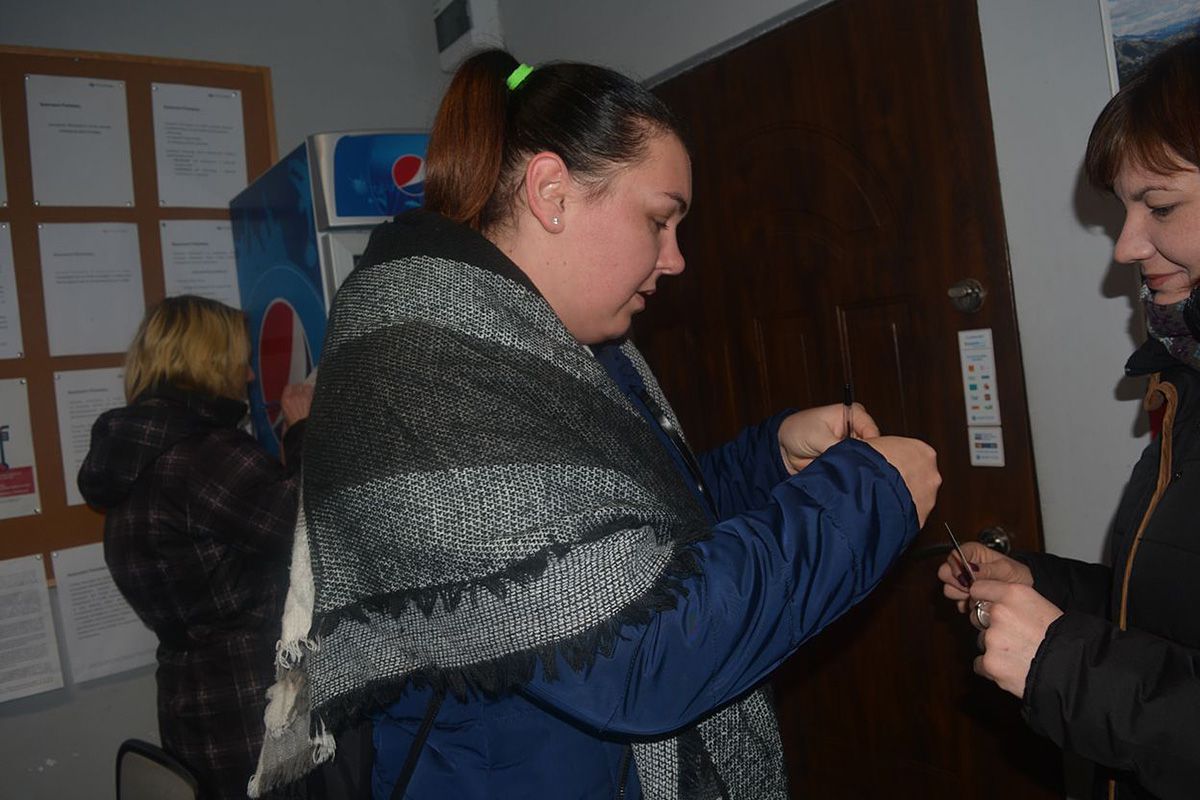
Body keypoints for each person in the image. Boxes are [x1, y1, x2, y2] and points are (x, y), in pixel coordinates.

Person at [249, 50, 940, 800]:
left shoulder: (550, 341)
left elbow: (630, 534)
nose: (675, 259)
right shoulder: (417, 370)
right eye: (659, 220)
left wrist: (768, 462)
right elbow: (637, 651)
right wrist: (868, 498)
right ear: (552, 193)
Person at [937, 36, 1200, 800]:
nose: (1127, 245)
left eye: (1160, 205)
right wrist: (1041, 585)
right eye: (1125, 208)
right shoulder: (1186, 379)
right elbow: (1171, 618)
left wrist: (1062, 662)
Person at [78, 295, 313, 799]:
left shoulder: (134, 458)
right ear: (207, 360)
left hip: (191, 705)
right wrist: (302, 431)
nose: (249, 375)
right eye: (239, 360)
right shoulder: (204, 455)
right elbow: (306, 527)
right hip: (253, 707)